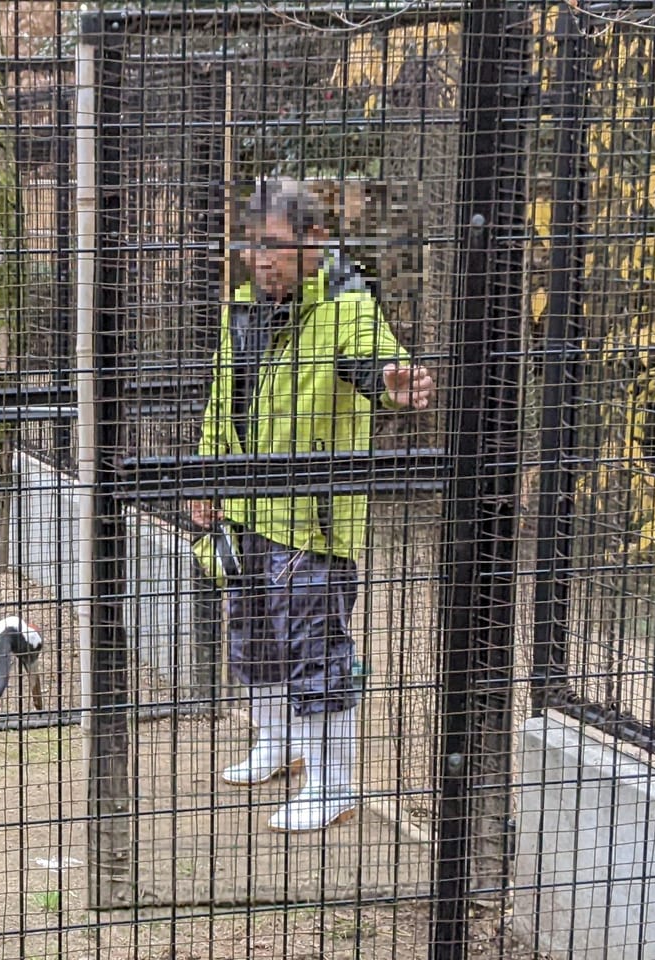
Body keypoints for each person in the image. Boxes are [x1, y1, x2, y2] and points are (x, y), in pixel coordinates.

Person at [190, 178, 434, 833]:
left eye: (274, 246)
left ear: (315, 242)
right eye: (251, 245)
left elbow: (373, 363)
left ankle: (333, 784)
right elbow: (225, 400)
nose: (259, 259)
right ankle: (277, 744)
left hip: (314, 516)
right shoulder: (242, 308)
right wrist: (207, 477)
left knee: (314, 645)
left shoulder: (347, 304)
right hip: (248, 505)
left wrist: (393, 383)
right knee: (252, 635)